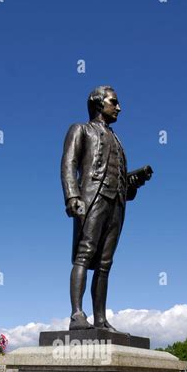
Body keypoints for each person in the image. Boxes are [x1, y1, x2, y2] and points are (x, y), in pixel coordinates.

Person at [61, 86, 152, 331]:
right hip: (91, 198)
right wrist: (72, 196)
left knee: (105, 263)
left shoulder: (118, 139)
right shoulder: (80, 129)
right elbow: (69, 163)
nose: (119, 107)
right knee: (84, 254)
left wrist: (134, 180)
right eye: (114, 102)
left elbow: (119, 175)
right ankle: (77, 315)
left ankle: (100, 319)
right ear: (98, 103)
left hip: (117, 203)